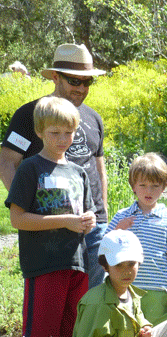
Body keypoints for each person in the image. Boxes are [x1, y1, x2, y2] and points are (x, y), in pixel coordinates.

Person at [1, 43, 108, 289]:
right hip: (50, 232)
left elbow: (98, 168)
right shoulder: (30, 114)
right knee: (53, 305)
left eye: (87, 82)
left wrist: (102, 217)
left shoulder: (93, 117)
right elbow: (6, 161)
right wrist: (29, 208)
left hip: (93, 228)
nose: (81, 88)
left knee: (92, 302)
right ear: (56, 77)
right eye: (74, 81)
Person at [5, 96, 96, 337]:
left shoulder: (78, 172)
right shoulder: (30, 169)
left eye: (68, 133)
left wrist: (88, 221)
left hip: (77, 264)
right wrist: (65, 221)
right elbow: (17, 218)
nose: (62, 139)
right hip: (43, 265)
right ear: (39, 132)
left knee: (70, 333)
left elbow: (86, 213)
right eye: (55, 132)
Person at [106, 154, 167, 325]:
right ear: (133, 186)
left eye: (154, 186)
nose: (148, 191)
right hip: (125, 289)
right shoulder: (123, 216)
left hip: (158, 293)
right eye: (142, 185)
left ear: (164, 187)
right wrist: (117, 229)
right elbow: (105, 247)